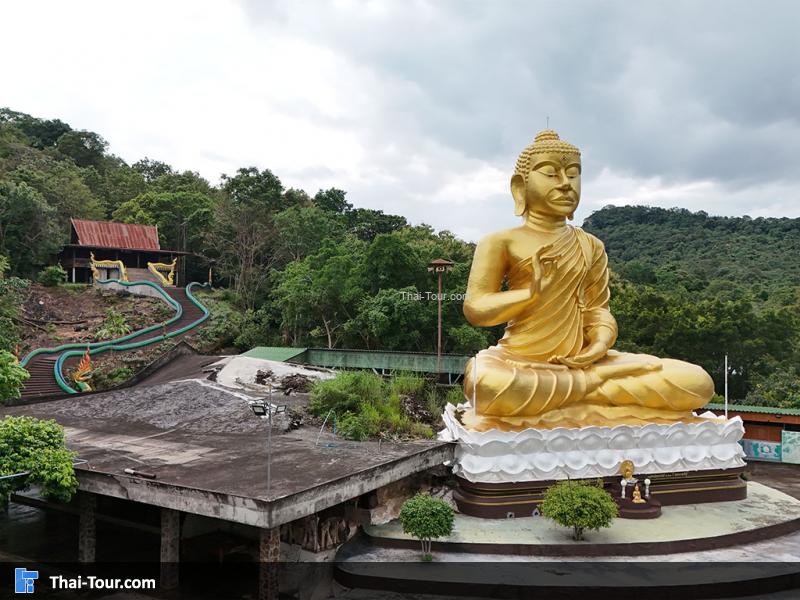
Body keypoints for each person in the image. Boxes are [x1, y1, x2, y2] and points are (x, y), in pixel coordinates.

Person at [462, 130, 714, 431]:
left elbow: (597, 310)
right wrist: (531, 293)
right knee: (485, 385)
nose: (566, 184)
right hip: (519, 362)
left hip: (581, 362)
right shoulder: (501, 241)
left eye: (573, 174)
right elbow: (476, 309)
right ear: (520, 186)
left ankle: (584, 386)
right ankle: (594, 386)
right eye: (551, 174)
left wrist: (599, 344)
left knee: (697, 382)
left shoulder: (590, 245)